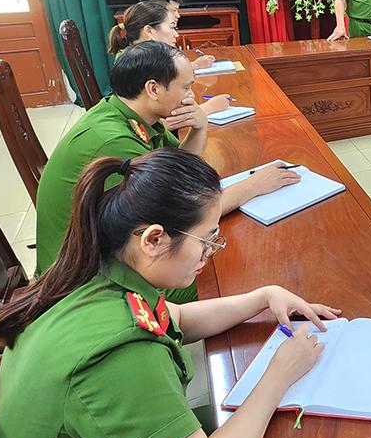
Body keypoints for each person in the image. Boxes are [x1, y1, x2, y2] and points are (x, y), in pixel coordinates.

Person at [0, 148, 340, 438]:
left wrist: (262, 297)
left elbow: (177, 317)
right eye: (207, 240)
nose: (210, 253)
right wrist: (278, 374)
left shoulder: (93, 269)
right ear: (154, 240)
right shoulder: (120, 355)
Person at [35, 42, 300, 301]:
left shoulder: (133, 115)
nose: (191, 96)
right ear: (153, 89)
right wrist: (252, 186)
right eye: (185, 87)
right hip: (89, 281)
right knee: (236, 270)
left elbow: (181, 169)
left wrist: (200, 127)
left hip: (113, 253)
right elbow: (179, 208)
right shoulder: (116, 143)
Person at [109, 1, 221, 76]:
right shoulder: (139, 62)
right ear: (149, 31)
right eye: (172, 27)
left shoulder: (142, 54)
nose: (176, 35)